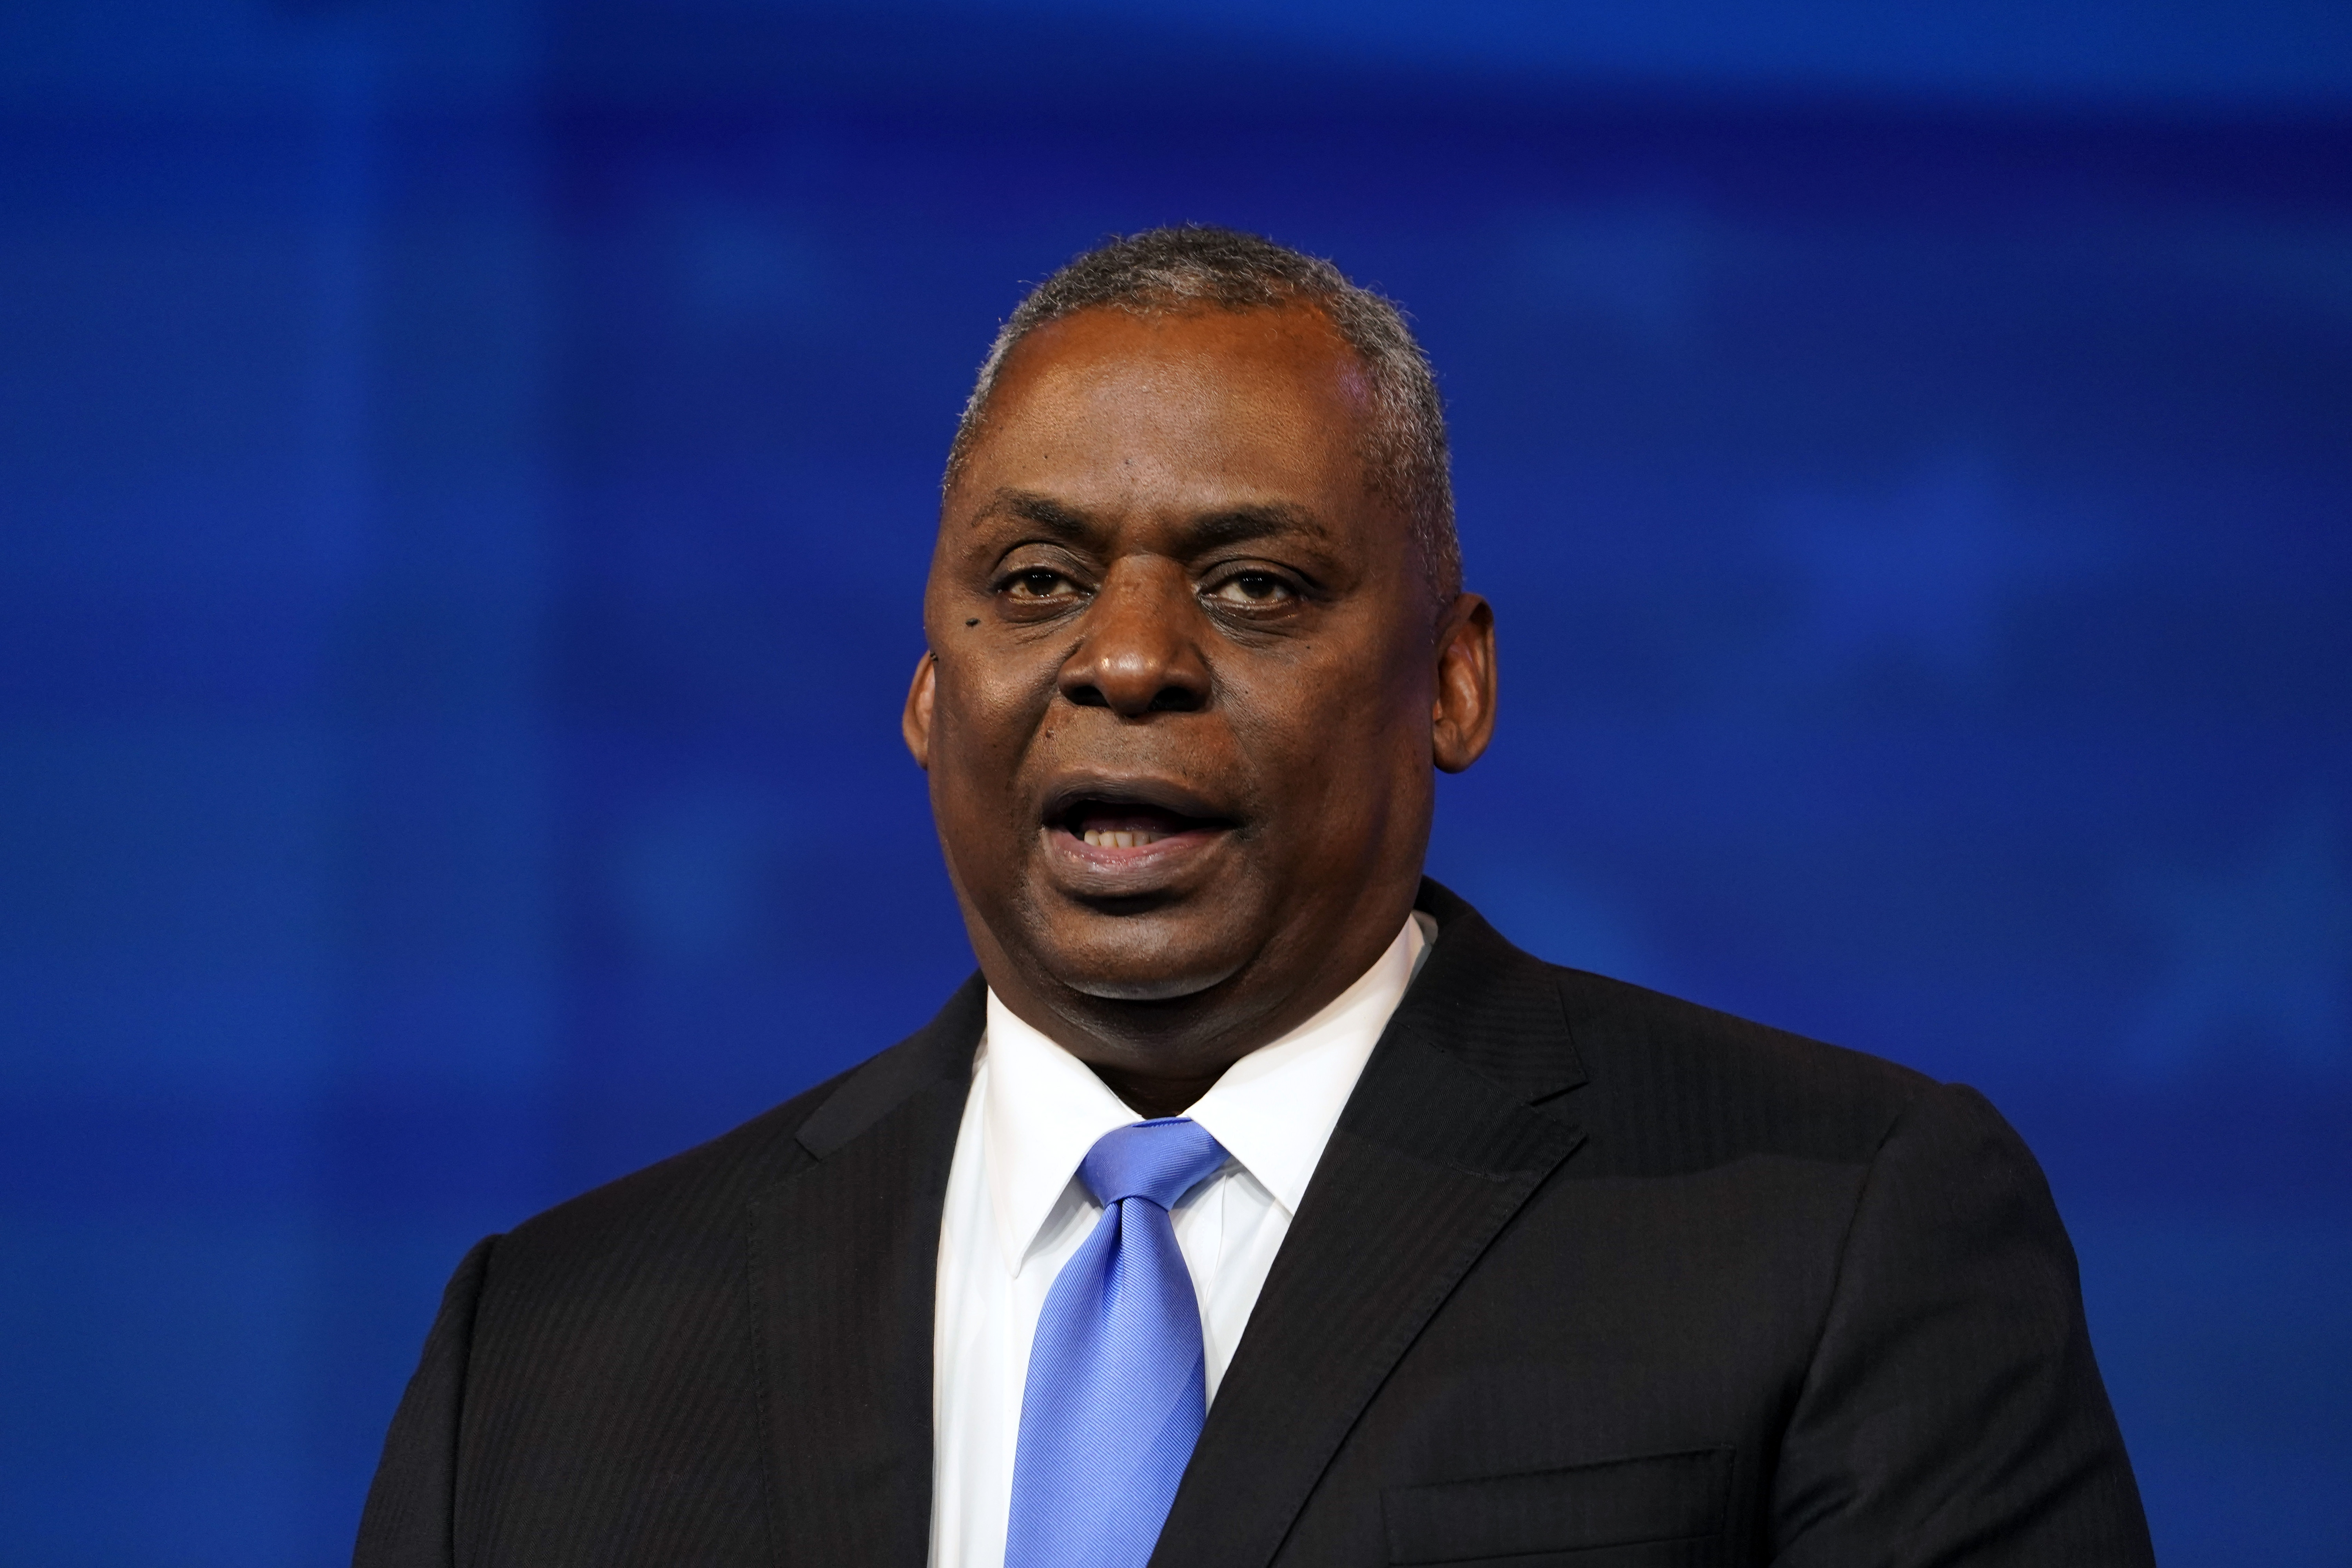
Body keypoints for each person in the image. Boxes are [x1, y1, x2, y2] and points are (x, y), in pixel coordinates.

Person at [354, 226, 2154, 1568]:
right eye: (1038, 578)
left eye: (1259, 586)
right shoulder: (553, 1349)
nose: (1127, 660)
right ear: (924, 692)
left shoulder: (1832, 1228)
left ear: (1453, 681)